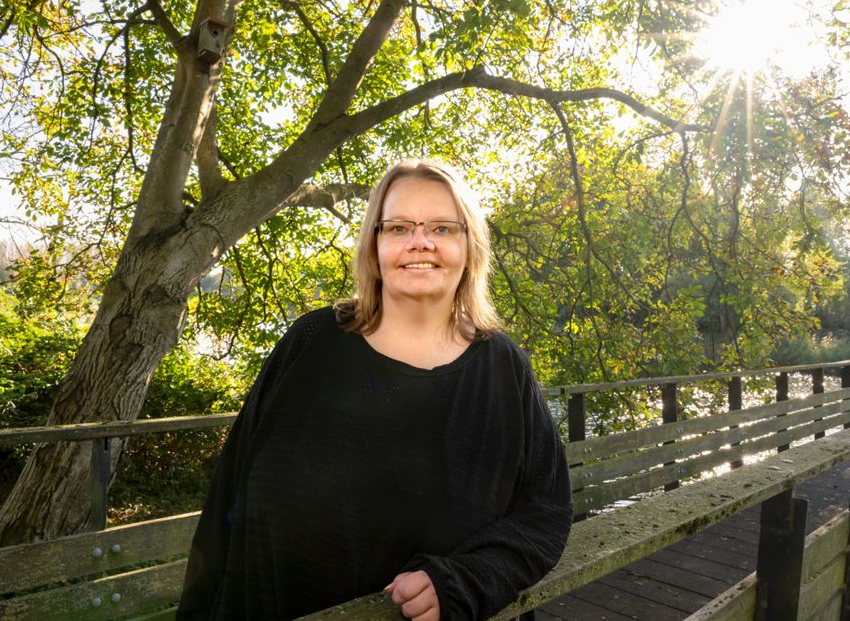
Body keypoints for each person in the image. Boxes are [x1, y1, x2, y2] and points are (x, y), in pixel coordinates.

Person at [176, 159, 573, 620]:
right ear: (374, 244)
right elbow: (228, 498)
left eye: (443, 228)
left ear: (470, 246)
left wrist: (463, 583)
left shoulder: (504, 369)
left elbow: (545, 512)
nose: (419, 242)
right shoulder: (310, 343)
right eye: (399, 227)